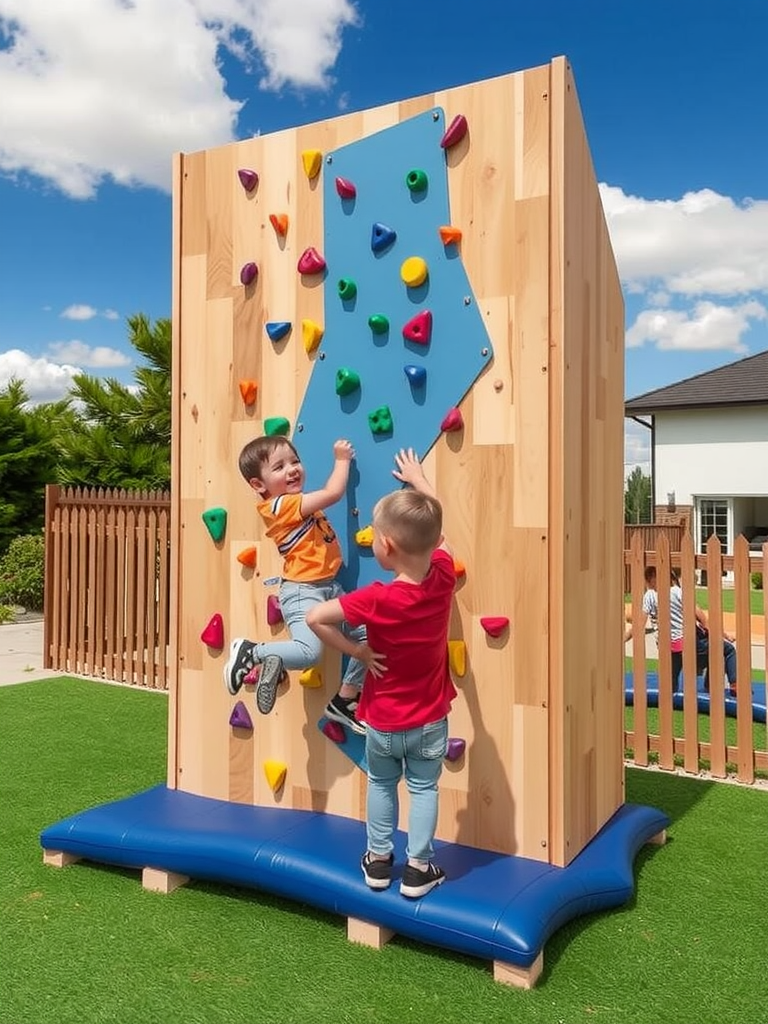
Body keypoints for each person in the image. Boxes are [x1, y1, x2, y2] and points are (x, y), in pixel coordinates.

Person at [306, 448, 457, 899]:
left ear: (385, 547)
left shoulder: (376, 598)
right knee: (424, 789)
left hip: (383, 721)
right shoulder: (443, 576)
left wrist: (358, 651)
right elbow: (440, 535)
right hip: (429, 720)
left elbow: (316, 617)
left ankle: (377, 862)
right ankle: (418, 869)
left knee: (382, 785)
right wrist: (420, 480)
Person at [223, 436, 375, 734]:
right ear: (258, 485)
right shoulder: (279, 505)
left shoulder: (296, 502)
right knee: (310, 653)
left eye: (294, 461)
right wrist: (342, 459)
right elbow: (333, 493)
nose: (292, 469)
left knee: (371, 633)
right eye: (279, 467)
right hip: (303, 592)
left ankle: (345, 699)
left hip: (329, 589)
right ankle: (252, 653)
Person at [626, 566, 737, 693]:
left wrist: (624, 638)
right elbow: (704, 621)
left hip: (667, 648)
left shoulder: (649, 596)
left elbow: (639, 626)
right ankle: (733, 685)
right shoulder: (678, 592)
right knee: (727, 650)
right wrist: (726, 636)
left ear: (651, 578)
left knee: (670, 691)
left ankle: (704, 684)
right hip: (688, 645)